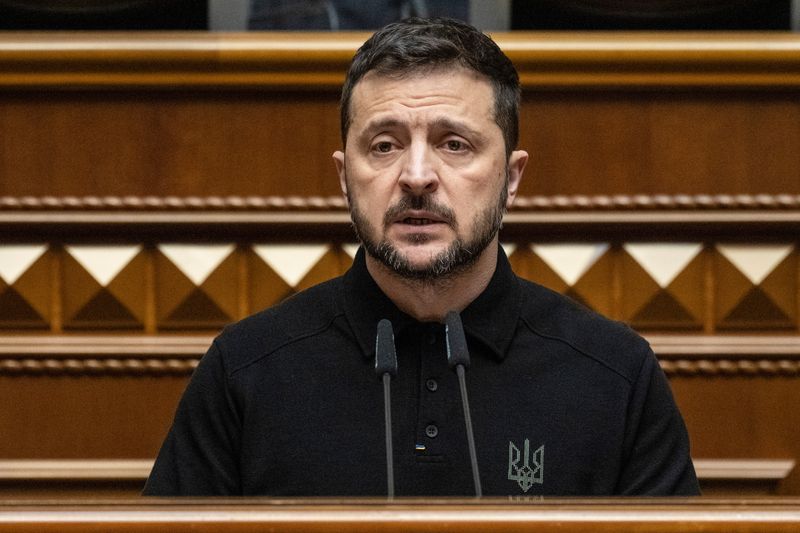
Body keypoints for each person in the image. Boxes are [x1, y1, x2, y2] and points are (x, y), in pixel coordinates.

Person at [143, 17, 700, 496]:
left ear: (510, 177)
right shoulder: (245, 370)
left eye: (453, 144)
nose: (415, 176)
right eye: (383, 145)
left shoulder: (615, 375)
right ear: (345, 177)